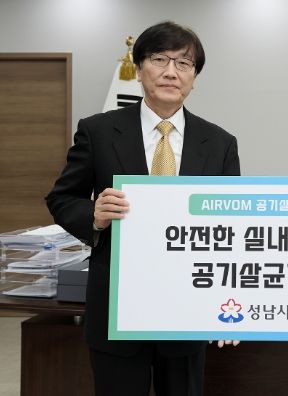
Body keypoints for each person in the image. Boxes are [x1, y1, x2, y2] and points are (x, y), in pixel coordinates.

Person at [46, 21, 240, 396]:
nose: (171, 72)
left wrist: (226, 304)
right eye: (159, 59)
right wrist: (94, 216)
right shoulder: (98, 131)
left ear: (194, 77)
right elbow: (62, 198)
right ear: (138, 69)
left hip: (188, 310)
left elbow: (229, 228)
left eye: (184, 63)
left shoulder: (219, 143)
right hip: (118, 310)